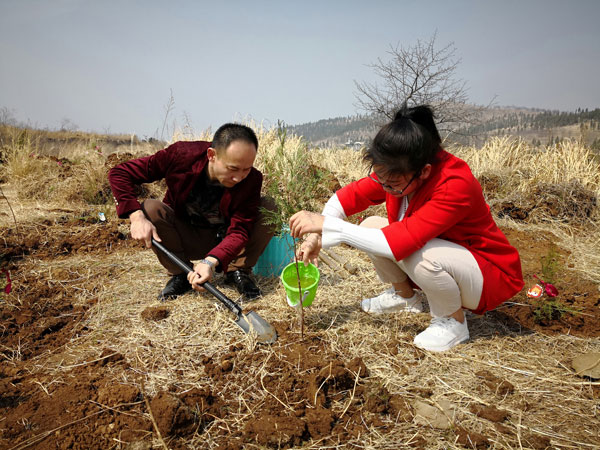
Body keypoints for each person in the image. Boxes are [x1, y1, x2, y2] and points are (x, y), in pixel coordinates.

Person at [289, 105, 524, 352]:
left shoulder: (455, 183)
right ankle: (405, 297)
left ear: (424, 171)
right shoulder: (397, 170)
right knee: (371, 225)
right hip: (449, 260)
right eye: (381, 181)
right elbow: (346, 198)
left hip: (487, 274)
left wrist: (329, 226)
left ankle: (453, 322)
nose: (386, 188)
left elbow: (398, 242)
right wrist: (316, 236)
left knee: (419, 253)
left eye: (393, 184)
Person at [108, 123, 275, 301]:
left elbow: (240, 230)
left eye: (246, 169)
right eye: (232, 169)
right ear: (212, 155)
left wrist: (210, 262)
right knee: (150, 208)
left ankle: (238, 271)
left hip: (223, 240)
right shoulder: (182, 156)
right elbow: (119, 173)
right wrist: (136, 216)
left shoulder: (252, 180)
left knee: (269, 208)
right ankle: (180, 273)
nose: (239, 177)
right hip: (183, 236)